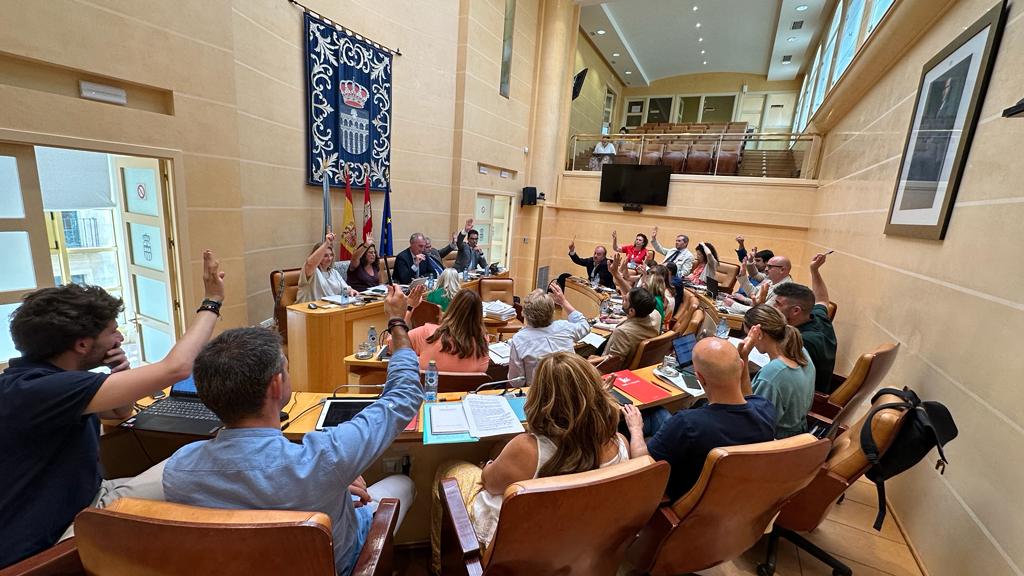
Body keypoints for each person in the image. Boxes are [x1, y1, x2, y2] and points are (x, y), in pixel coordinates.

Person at [163, 285, 420, 576]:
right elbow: (403, 396)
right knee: (403, 484)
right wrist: (398, 322)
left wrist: (329, 486)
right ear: (276, 385)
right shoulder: (326, 458)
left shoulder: (178, 470)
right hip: (339, 565)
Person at [0, 250, 225, 569]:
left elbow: (119, 414)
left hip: (88, 497)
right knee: (211, 469)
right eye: (112, 331)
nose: (120, 337)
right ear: (82, 345)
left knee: (203, 458)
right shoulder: (41, 390)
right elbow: (177, 368)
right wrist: (212, 301)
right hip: (50, 540)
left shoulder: (41, 379)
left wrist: (119, 372)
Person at [430, 352, 633, 571]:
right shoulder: (620, 444)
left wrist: (487, 466)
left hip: (512, 554)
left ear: (540, 397)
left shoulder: (527, 450)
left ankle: (440, 565)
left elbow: (489, 483)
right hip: (577, 548)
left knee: (449, 469)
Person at [621, 338, 776, 501]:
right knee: (658, 413)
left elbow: (643, 465)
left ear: (699, 378)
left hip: (679, 502)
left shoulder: (687, 424)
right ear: (742, 366)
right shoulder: (765, 409)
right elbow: (748, 398)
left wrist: (635, 428)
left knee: (642, 423)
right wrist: (742, 357)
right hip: (732, 498)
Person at [738, 305, 815, 439]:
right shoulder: (801, 352)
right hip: (798, 432)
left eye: (748, 335)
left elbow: (750, 420)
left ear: (759, 334)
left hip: (775, 443)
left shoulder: (772, 375)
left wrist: (743, 359)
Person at [772, 254, 837, 393]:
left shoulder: (800, 341)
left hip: (808, 397)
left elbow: (781, 376)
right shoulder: (818, 317)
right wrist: (814, 270)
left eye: (777, 304)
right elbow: (822, 299)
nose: (773, 308)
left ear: (796, 311)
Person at [508, 284, 591, 384]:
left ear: (524, 313)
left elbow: (516, 382)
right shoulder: (565, 327)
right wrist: (563, 301)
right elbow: (585, 325)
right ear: (552, 311)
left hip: (538, 395)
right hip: (570, 389)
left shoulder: (519, 339)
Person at [408, 289, 489, 372]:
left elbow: (395, 342)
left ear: (452, 307)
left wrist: (410, 307)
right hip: (468, 385)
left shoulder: (427, 333)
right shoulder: (483, 341)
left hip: (429, 384)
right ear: (479, 315)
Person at [590, 286, 659, 368]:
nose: (623, 298)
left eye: (625, 300)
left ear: (632, 311)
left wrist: (589, 361)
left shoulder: (622, 332)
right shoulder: (656, 315)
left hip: (610, 371)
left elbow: (613, 362)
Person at [298, 232, 359, 302]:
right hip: (310, 309)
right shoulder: (312, 271)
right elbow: (310, 263)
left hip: (330, 308)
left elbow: (345, 288)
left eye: (331, 255)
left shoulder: (333, 272)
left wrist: (351, 291)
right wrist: (326, 243)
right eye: (325, 256)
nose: (329, 258)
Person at [728, 254, 793, 313]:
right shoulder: (770, 280)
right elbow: (754, 293)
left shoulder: (785, 290)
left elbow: (764, 311)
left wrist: (733, 305)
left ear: (782, 270)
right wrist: (743, 276)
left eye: (770, 266)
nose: (766, 269)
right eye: (767, 266)